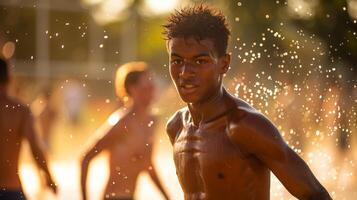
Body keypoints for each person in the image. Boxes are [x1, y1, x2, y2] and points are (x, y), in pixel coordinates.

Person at [163, 5, 331, 200]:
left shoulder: (244, 125)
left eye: (200, 61)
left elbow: (316, 195)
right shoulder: (176, 127)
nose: (185, 73)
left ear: (224, 64)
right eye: (177, 61)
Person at [80, 62, 170, 200]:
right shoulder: (122, 123)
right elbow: (86, 158)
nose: (153, 89)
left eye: (153, 84)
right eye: (147, 85)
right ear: (133, 89)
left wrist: (167, 197)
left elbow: (147, 165)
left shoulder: (152, 121)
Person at [0, 58, 57, 200]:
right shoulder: (19, 111)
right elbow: (35, 148)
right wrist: (49, 178)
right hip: (11, 189)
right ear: (10, 78)